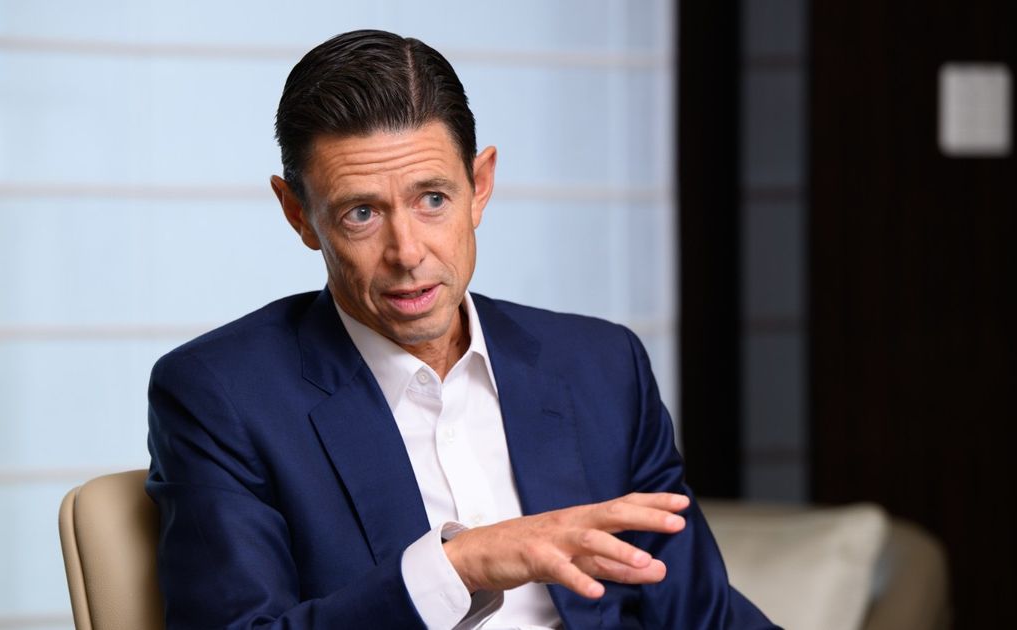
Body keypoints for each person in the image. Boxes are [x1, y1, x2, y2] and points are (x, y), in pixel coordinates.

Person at [146, 29, 776, 629]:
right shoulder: (222, 395)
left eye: (433, 199)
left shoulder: (603, 365)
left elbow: (704, 614)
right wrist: (461, 566)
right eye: (361, 213)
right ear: (299, 215)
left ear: (479, 186)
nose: (407, 252)